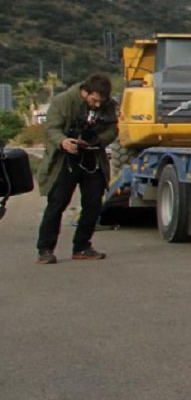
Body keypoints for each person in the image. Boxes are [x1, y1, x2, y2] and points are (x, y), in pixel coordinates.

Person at [36, 73, 118, 264]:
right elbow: (51, 129)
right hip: (64, 160)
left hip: (93, 158)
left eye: (101, 102)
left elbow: (113, 130)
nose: (97, 105)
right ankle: (45, 249)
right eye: (94, 100)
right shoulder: (63, 101)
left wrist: (99, 140)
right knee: (57, 204)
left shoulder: (108, 105)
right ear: (84, 92)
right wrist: (64, 141)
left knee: (93, 205)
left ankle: (82, 246)